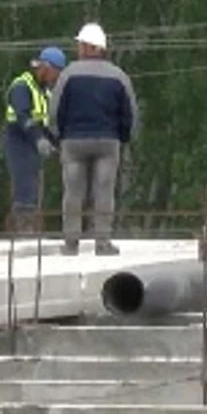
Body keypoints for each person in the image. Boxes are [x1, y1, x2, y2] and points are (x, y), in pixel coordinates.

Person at [50, 22, 134, 256]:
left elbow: (55, 110)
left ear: (87, 47)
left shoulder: (68, 75)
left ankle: (70, 243)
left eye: (80, 44)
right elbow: (129, 112)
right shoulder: (118, 76)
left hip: (74, 142)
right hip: (107, 142)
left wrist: (58, 136)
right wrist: (123, 137)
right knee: (104, 191)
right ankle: (102, 242)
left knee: (73, 192)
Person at [1, 47, 65, 235]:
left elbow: (43, 122)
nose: (55, 78)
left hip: (32, 142)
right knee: (24, 184)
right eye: (55, 73)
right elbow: (23, 116)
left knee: (35, 186)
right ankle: (22, 228)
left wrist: (57, 143)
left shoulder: (44, 91)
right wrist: (39, 139)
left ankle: (30, 225)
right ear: (44, 68)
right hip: (18, 140)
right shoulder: (22, 86)